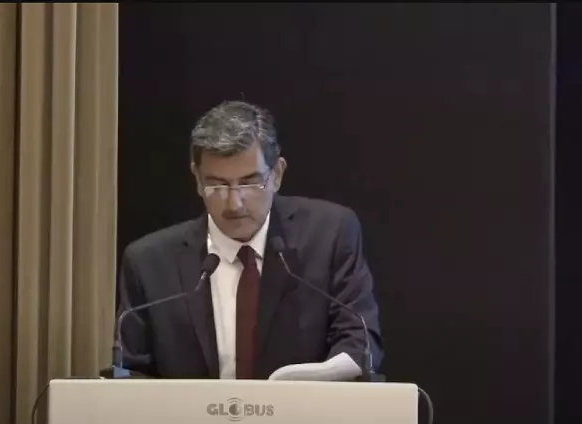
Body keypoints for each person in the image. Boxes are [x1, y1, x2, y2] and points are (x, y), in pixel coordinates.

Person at [117, 100, 384, 379]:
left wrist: (307, 384)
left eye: (249, 182)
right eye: (217, 184)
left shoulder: (329, 235)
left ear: (277, 175)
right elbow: (130, 372)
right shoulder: (149, 263)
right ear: (197, 179)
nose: (234, 203)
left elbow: (360, 341)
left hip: (301, 407)